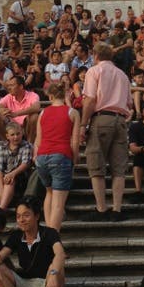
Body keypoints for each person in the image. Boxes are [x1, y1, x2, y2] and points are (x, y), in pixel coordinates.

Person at [80, 42, 133, 221]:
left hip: (101, 118)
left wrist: (82, 125)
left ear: (95, 55)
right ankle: (117, 209)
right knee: (119, 168)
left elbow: (90, 100)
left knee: (96, 165)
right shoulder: (123, 75)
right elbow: (130, 104)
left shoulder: (94, 71)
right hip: (120, 120)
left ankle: (101, 208)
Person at [34, 82, 80, 230]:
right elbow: (75, 140)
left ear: (51, 96)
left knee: (49, 192)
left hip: (42, 157)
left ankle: (48, 230)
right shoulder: (72, 112)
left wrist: (36, 157)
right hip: (61, 155)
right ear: (65, 95)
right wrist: (76, 157)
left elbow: (38, 140)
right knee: (59, 204)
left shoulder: (42, 113)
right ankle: (52, 241)